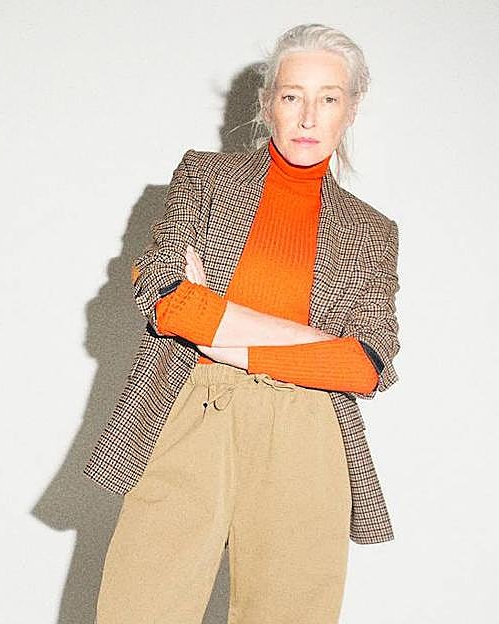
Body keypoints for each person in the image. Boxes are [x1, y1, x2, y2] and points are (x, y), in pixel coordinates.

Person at [85, 22, 401, 624]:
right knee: (140, 607)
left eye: (328, 98)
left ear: (352, 109)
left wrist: (220, 330)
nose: (307, 117)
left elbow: (366, 365)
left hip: (308, 430)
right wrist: (312, 342)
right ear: (267, 102)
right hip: (191, 409)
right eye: (292, 95)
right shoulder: (205, 178)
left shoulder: (372, 231)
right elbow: (167, 301)